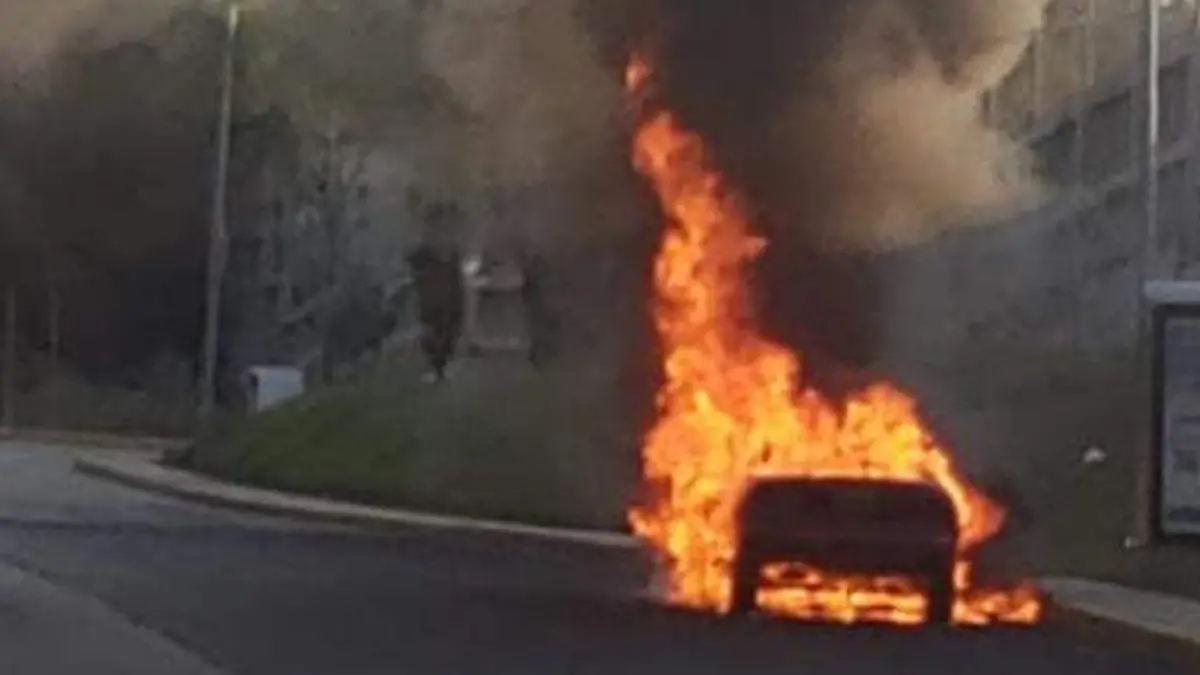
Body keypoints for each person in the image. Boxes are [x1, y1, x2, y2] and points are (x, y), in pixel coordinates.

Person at [406, 203, 465, 382]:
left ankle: (442, 367)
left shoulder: (450, 251)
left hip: (447, 300)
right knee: (434, 332)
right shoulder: (422, 253)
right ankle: (438, 368)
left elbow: (456, 278)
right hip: (431, 301)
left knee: (446, 332)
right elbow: (411, 265)